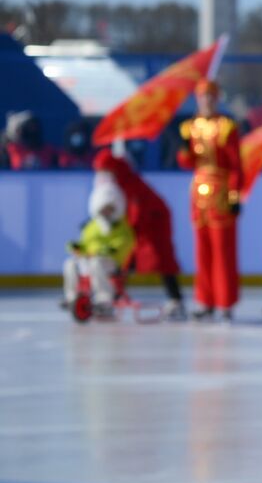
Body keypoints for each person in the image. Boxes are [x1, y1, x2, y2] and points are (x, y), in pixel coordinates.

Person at [94, 144, 187, 320]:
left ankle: (176, 299)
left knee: (162, 258)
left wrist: (131, 229)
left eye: (104, 170)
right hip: (143, 222)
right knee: (128, 258)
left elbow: (137, 209)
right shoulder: (119, 181)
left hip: (155, 222)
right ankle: (115, 295)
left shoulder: (129, 181)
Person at [177, 79, 242, 321]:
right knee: (202, 250)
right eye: (203, 96)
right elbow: (188, 163)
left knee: (222, 250)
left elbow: (235, 165)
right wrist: (184, 148)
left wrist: (235, 195)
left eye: (211, 96)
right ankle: (205, 301)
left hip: (221, 193)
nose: (207, 100)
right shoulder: (191, 127)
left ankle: (225, 302)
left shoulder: (226, 127)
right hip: (198, 194)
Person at [62, 180, 136, 318]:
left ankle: (104, 298)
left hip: (111, 263)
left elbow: (125, 243)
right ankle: (71, 297)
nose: (106, 212)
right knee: (70, 264)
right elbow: (84, 243)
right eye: (103, 208)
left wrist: (108, 250)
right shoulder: (92, 226)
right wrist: (77, 247)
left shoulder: (122, 227)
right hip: (90, 260)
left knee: (97, 262)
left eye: (109, 208)